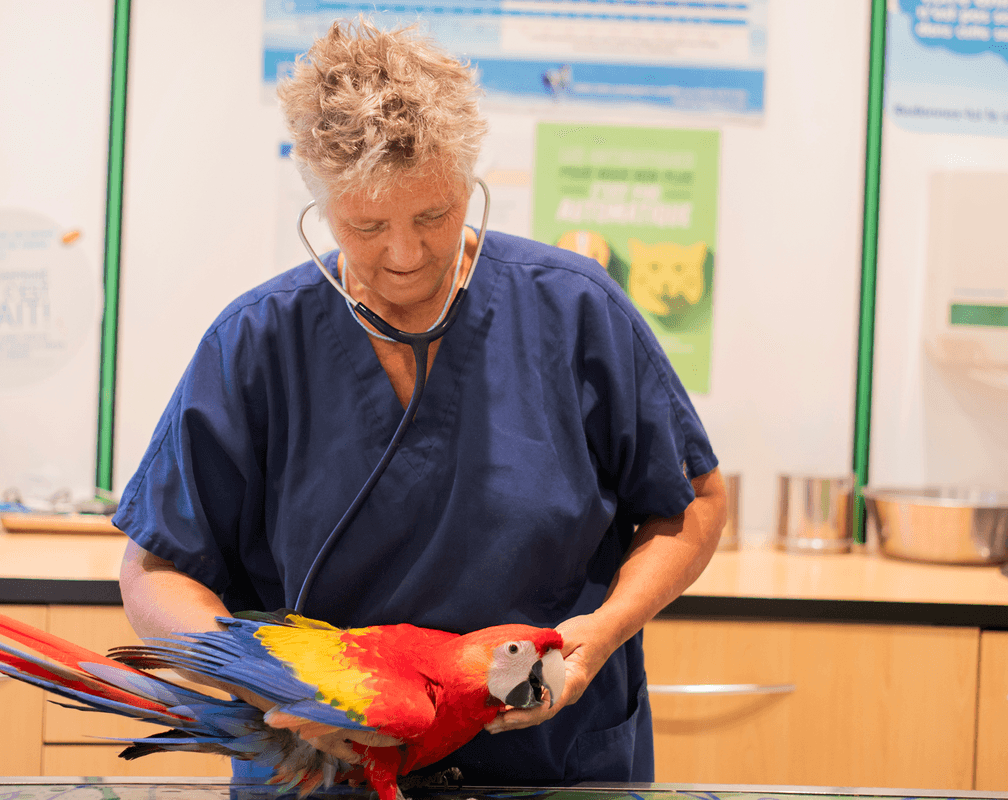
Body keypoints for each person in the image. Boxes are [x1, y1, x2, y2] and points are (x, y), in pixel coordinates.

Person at [114, 16, 726, 785]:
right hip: (322, 769)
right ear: (320, 201)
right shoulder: (256, 343)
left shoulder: (576, 311)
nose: (404, 256)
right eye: (366, 225)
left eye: (434, 216)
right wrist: (272, 687)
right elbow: (156, 570)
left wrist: (599, 636)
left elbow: (694, 501)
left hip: (552, 764)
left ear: (471, 185)